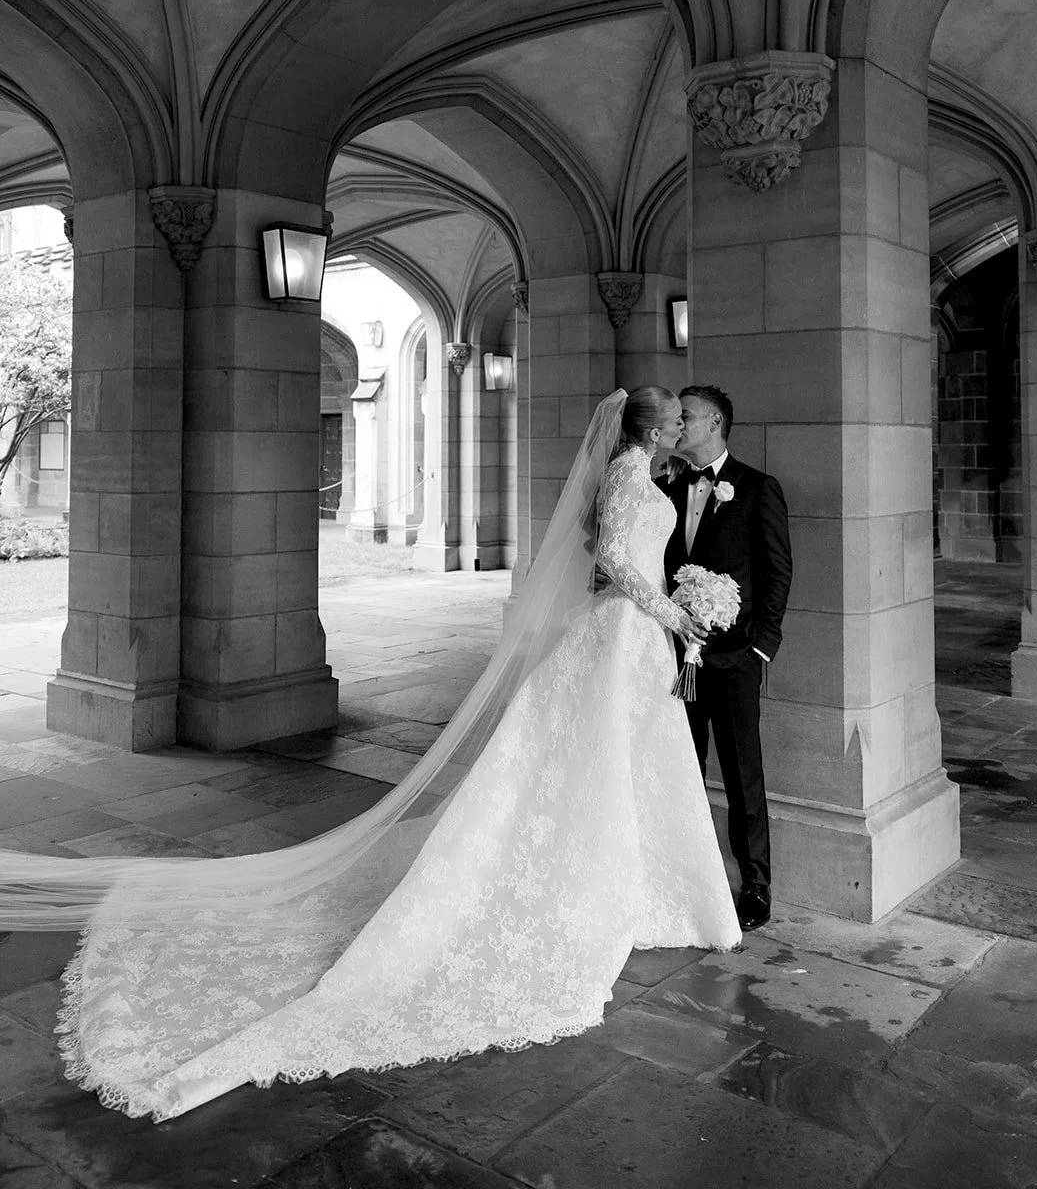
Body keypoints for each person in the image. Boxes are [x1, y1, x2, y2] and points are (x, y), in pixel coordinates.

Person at [0, 386, 740, 1121]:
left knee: (631, 759)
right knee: (593, 760)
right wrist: (673, 607)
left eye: (685, 415)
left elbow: (614, 552)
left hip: (636, 639)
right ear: (646, 426)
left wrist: (675, 603)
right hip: (626, 631)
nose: (681, 423)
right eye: (673, 415)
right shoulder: (624, 471)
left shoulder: (653, 475)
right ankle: (591, 885)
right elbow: (611, 549)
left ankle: (644, 884)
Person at [659, 384, 792, 933]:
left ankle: (755, 884)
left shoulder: (757, 488)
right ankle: (688, 874)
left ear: (713, 422)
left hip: (735, 658)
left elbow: (776, 572)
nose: (676, 425)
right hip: (672, 661)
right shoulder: (664, 486)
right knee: (681, 767)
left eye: (684, 416)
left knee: (742, 773)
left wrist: (760, 646)